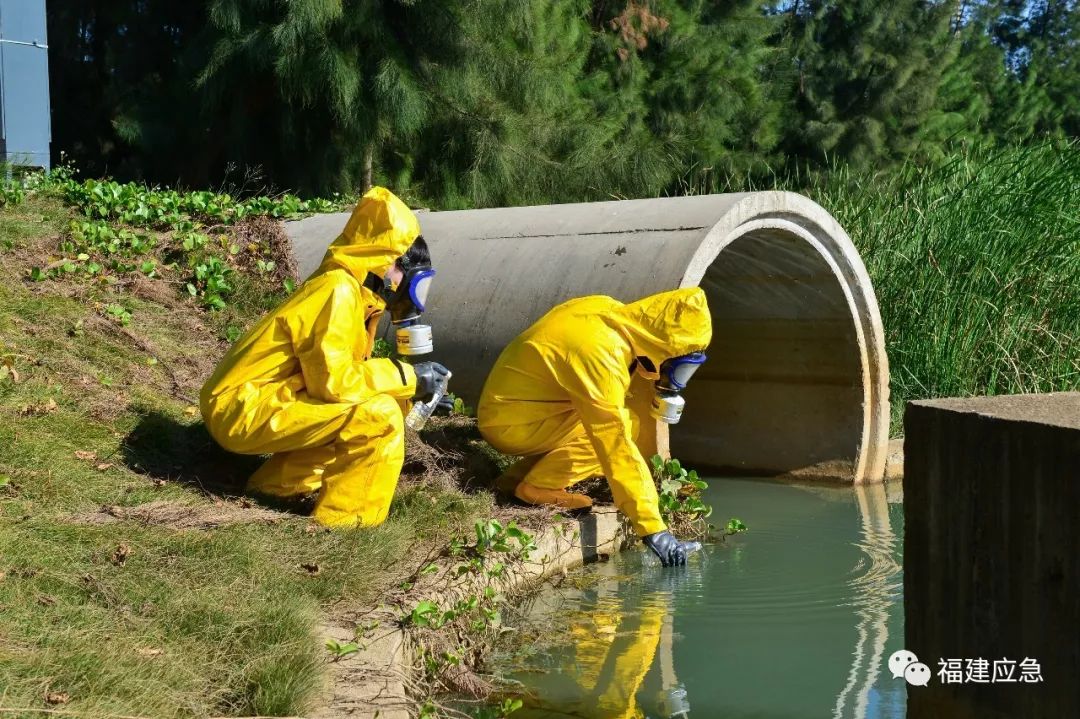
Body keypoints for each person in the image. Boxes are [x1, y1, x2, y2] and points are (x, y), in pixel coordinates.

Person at [200, 187, 449, 528]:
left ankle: (274, 489)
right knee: (378, 418)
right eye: (413, 279)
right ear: (389, 260)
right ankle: (346, 527)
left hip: (256, 401)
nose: (413, 293)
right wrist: (409, 378)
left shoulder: (358, 299)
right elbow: (335, 384)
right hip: (242, 406)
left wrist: (415, 394)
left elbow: (348, 385)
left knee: (365, 410)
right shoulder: (337, 290)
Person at [477, 287, 711, 566]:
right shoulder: (600, 355)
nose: (678, 378)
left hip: (520, 409)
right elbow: (616, 446)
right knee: (616, 428)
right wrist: (654, 530)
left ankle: (513, 482)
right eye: (680, 367)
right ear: (662, 347)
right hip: (511, 424)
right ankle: (536, 488)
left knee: (624, 421)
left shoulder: (607, 313)